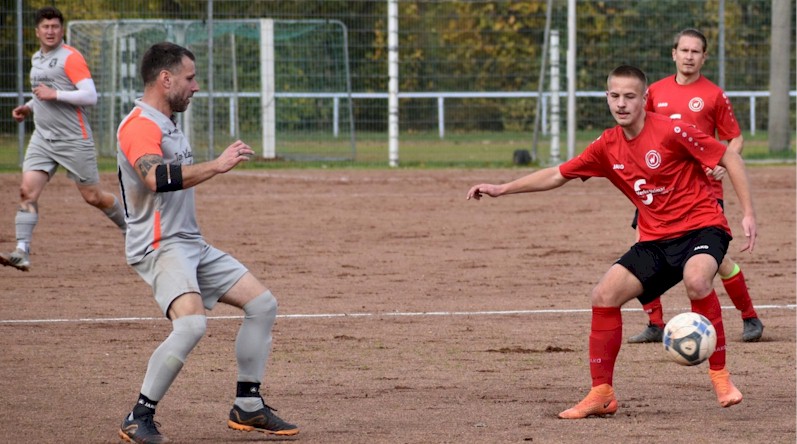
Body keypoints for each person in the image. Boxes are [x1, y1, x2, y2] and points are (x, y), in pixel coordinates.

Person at [467, 65, 755, 418]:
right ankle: (601, 394)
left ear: (644, 99)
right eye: (614, 96)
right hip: (655, 239)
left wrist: (748, 214)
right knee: (604, 295)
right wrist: (502, 188)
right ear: (607, 98)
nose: (621, 103)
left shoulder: (672, 130)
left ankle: (721, 377)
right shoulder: (607, 145)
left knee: (697, 280)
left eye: (629, 96)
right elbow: (558, 174)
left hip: (703, 227)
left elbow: (729, 156)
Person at [116, 42, 298, 443]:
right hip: (160, 245)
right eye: (189, 77)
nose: (195, 86)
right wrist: (216, 165)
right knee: (192, 324)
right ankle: (138, 415)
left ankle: (248, 406)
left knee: (262, 304)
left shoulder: (166, 123)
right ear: (165, 79)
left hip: (188, 243)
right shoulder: (139, 125)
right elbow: (154, 178)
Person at [626, 28, 764, 344]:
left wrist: (723, 163)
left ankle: (749, 317)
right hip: (658, 189)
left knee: (715, 262)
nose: (689, 56)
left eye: (695, 52)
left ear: (704, 57)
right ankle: (655, 323)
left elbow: (735, 138)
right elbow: (639, 133)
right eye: (684, 50)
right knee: (643, 250)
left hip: (702, 191)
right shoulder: (655, 93)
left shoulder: (714, 95)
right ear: (673, 53)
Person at [0, 6, 126, 272]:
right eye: (45, 27)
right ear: (37, 31)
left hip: (73, 139)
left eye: (55, 26)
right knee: (26, 191)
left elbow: (90, 96)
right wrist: (28, 107)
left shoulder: (71, 57)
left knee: (93, 196)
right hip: (43, 138)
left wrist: (53, 95)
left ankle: (131, 228)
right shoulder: (36, 58)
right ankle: (21, 250)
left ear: (62, 30)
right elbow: (41, 93)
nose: (50, 31)